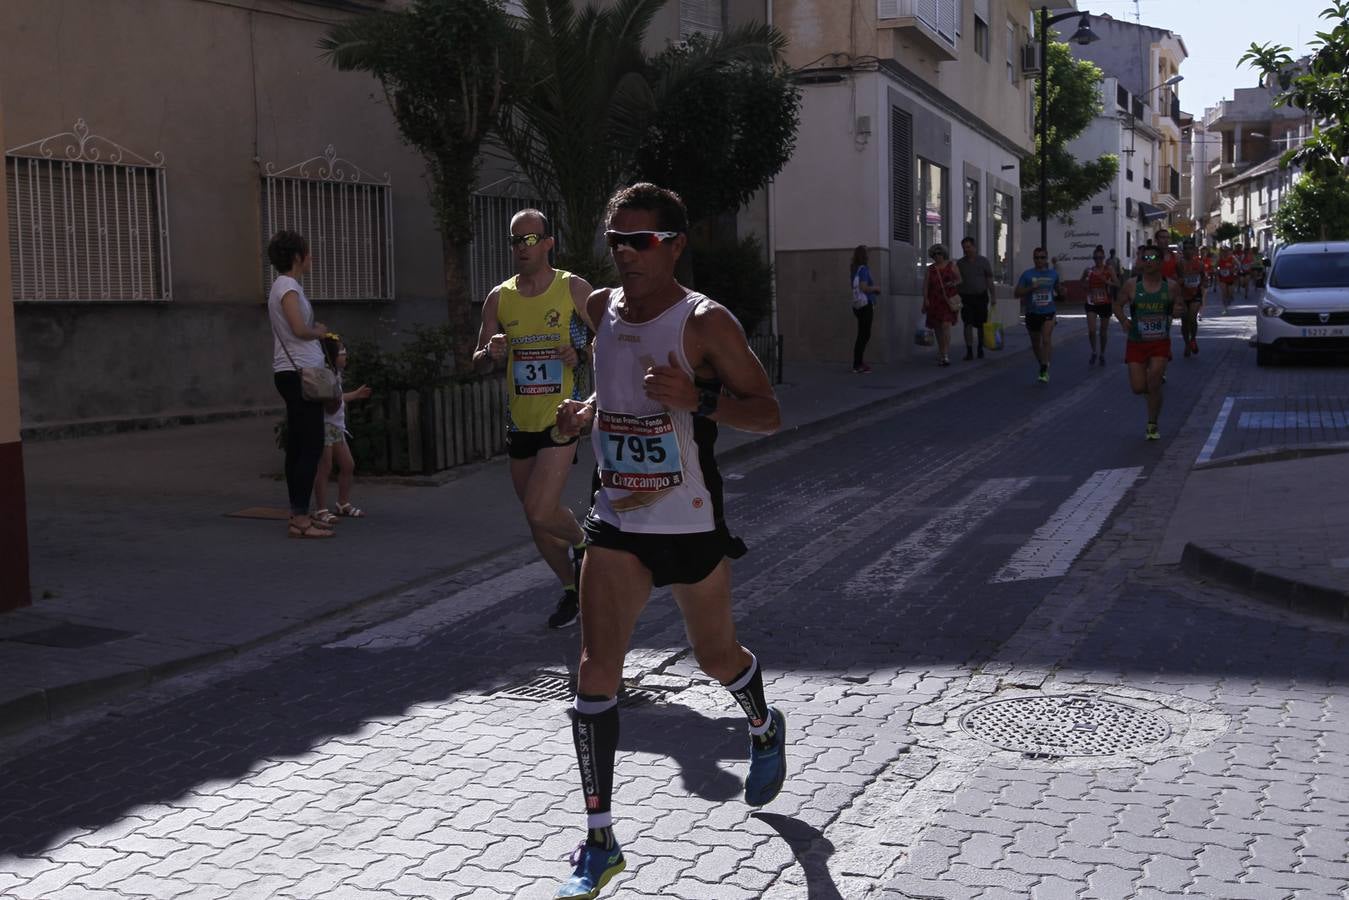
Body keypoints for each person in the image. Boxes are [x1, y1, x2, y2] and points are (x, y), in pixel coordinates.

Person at [550, 183, 785, 900]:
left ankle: (761, 722)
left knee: (716, 656)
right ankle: (599, 842)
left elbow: (769, 413)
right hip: (617, 519)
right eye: (615, 239)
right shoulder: (599, 310)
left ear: (675, 244)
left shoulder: (705, 323)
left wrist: (698, 400)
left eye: (640, 241)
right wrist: (582, 415)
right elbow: (613, 390)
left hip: (687, 520)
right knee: (594, 671)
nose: (624, 253)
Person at [473, 209, 594, 629]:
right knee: (534, 517)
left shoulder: (573, 288)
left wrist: (579, 353)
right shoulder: (499, 297)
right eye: (514, 241)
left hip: (562, 420)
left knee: (541, 510)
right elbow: (477, 361)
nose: (520, 248)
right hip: (519, 423)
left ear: (547, 243)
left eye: (529, 240)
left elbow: (611, 341)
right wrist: (491, 353)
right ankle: (571, 590)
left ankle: (584, 544)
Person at [267, 230, 333, 540]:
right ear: (297, 256)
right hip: (300, 373)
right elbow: (297, 328)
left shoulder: (285, 286)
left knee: (298, 445)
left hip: (293, 371)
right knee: (311, 445)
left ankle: (298, 513)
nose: (312, 257)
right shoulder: (288, 286)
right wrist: (318, 331)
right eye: (308, 252)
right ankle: (300, 518)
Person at [1115, 245, 1183, 441]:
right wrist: (1124, 320)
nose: (1149, 261)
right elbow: (1117, 305)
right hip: (1136, 342)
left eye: (1153, 257)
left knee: (1154, 379)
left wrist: (1178, 310)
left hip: (1160, 342)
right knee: (1138, 388)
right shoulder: (1131, 285)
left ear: (1161, 262)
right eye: (1145, 258)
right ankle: (1154, 395)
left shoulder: (1170, 286)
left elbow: (1179, 305)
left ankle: (1152, 423)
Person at [312, 334, 373, 525]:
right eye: (342, 353)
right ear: (331, 355)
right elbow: (327, 403)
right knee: (325, 468)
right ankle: (320, 510)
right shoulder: (323, 374)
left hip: (337, 427)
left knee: (348, 465)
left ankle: (342, 503)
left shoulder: (336, 375)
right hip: (325, 426)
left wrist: (355, 395)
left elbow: (337, 398)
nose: (346, 357)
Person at [1014, 247, 1064, 383]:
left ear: (1046, 258)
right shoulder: (1027, 275)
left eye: (1042, 257)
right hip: (1032, 313)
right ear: (1033, 259)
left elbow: (1059, 289)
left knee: (1046, 339)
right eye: (1037, 257)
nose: (1039, 260)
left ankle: (1043, 369)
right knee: (1035, 344)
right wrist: (1031, 288)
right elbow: (1016, 293)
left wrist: (1062, 291)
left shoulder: (1053, 274)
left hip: (1049, 312)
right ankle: (1043, 364)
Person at [956, 236, 995, 361]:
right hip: (966, 298)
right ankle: (969, 351)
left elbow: (989, 279)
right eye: (964, 248)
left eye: (968, 247)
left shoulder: (983, 261)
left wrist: (993, 296)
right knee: (967, 323)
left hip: (981, 297)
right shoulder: (960, 263)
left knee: (981, 325)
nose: (966, 250)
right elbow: (956, 280)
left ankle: (980, 348)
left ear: (974, 247)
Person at [922, 243, 961, 366]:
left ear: (944, 254)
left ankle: (945, 354)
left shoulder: (951, 266)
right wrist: (925, 299)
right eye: (934, 254)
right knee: (938, 327)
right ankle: (941, 350)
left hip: (948, 300)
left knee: (945, 325)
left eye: (939, 253)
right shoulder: (931, 269)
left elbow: (960, 279)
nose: (937, 256)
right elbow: (926, 285)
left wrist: (953, 284)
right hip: (934, 300)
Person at [1080, 245, 1118, 367]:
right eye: (1096, 258)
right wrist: (1084, 282)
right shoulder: (1089, 270)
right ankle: (1094, 351)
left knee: (1103, 331)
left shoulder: (1109, 269)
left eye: (1100, 258)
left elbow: (1118, 283)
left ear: (1104, 257)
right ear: (1093, 258)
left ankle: (1102, 353)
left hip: (1105, 302)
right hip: (1091, 302)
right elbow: (1082, 283)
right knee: (1091, 331)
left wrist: (1107, 282)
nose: (1098, 260)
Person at [849, 246, 881, 373]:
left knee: (862, 334)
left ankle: (859, 362)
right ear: (864, 255)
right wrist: (876, 289)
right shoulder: (863, 270)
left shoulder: (854, 269)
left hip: (858, 305)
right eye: (868, 253)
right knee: (864, 335)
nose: (869, 255)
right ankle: (857, 364)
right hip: (865, 304)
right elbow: (863, 287)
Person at [1176, 240, 1207, 358]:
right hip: (1182, 295)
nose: (1188, 251)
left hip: (1195, 295)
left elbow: (1204, 277)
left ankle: (1193, 339)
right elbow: (1175, 278)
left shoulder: (1199, 264)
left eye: (1190, 249)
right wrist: (1180, 281)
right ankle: (1187, 344)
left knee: (1192, 318)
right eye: (1186, 249)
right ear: (1183, 251)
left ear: (1194, 251)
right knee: (1184, 321)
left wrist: (1204, 283)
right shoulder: (1179, 264)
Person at [1216, 245, 1238, 313]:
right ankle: (1225, 308)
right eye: (1223, 251)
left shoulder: (1232, 258)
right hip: (1222, 278)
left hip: (1231, 278)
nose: (1225, 253)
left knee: (1230, 294)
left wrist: (1234, 270)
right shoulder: (1219, 259)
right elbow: (1214, 266)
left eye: (1226, 251)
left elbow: (1238, 265)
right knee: (1224, 293)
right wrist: (1218, 270)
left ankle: (1230, 298)